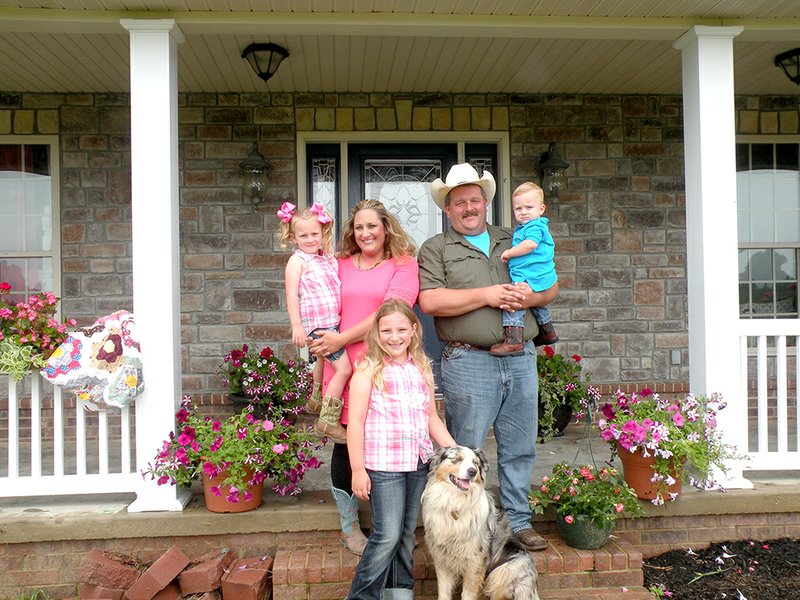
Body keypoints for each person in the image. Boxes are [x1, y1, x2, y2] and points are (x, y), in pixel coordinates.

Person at [417, 162, 559, 552]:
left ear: (485, 202)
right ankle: (463, 527)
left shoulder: (514, 237)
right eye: (459, 202)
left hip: (520, 357)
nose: (468, 207)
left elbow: (551, 285)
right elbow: (430, 301)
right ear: (448, 209)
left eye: (474, 200)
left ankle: (517, 521)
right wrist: (488, 295)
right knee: (463, 450)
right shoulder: (436, 248)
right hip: (469, 361)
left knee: (520, 444)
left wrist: (528, 298)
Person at [307, 199, 419, 556]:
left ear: (386, 228)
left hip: (385, 365)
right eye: (359, 227)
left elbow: (392, 312)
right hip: (342, 364)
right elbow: (314, 296)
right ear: (351, 232)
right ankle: (350, 527)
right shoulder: (337, 264)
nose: (365, 233)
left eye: (373, 226)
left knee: (386, 438)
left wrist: (340, 336)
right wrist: (316, 335)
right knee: (344, 443)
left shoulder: (403, 265)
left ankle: (393, 526)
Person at [346, 299, 456, 600]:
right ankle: (361, 596)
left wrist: (456, 451)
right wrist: (358, 469)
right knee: (387, 535)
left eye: (401, 329)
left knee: (406, 534)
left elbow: (431, 417)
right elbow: (354, 422)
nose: (394, 337)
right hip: (384, 466)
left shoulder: (422, 366)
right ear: (376, 333)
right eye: (386, 331)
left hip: (417, 462)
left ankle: (399, 592)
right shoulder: (369, 369)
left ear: (414, 329)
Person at [278, 201, 351, 443]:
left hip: (331, 322)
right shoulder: (297, 262)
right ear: (293, 237)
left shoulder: (326, 258)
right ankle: (328, 419)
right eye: (303, 235)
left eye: (314, 234)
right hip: (317, 325)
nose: (310, 239)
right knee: (343, 368)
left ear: (323, 233)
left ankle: (316, 398)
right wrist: (297, 326)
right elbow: (291, 294)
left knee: (321, 360)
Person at [490, 181, 559, 356]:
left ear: (541, 208)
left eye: (529, 207)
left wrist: (509, 253)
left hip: (530, 273)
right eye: (518, 209)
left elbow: (530, 245)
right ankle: (547, 331)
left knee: (513, 302)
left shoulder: (534, 226)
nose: (524, 212)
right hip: (535, 273)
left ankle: (513, 339)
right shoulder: (526, 227)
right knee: (536, 304)